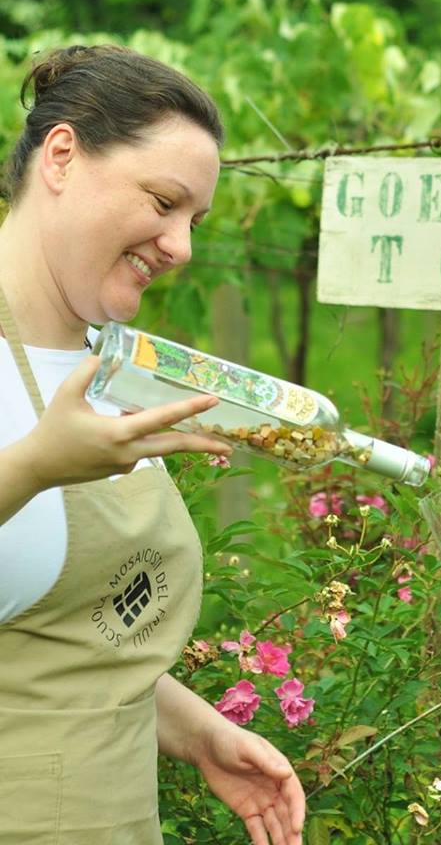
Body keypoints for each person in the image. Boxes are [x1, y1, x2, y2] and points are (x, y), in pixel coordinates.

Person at [0, 44, 305, 845]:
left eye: (194, 222)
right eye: (164, 202)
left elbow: (67, 637)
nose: (182, 247)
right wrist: (32, 468)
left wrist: (199, 731)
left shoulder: (114, 366)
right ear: (62, 156)